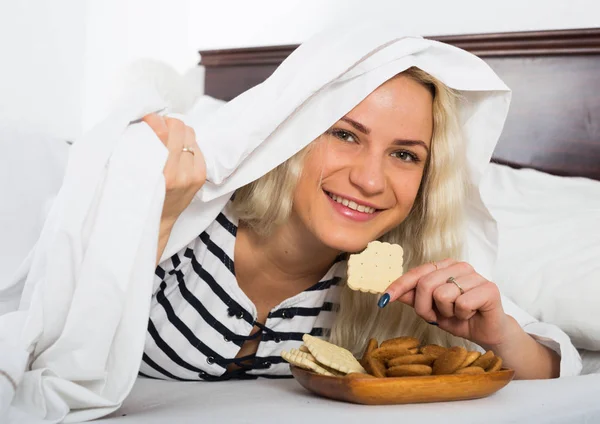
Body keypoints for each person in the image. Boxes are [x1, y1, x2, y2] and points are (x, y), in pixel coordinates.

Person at [138, 65, 566, 382]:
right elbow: (74, 343)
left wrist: (496, 334)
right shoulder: (188, 217)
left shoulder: (400, 280)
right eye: (345, 135)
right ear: (292, 136)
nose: (369, 180)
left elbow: (551, 375)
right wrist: (155, 222)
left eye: (405, 155)